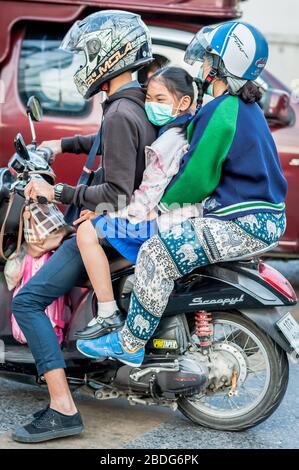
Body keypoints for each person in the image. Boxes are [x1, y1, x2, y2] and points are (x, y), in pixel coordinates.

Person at [76, 21, 288, 368]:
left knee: (156, 254)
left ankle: (130, 342)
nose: (203, 66)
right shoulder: (241, 107)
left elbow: (196, 177)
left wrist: (156, 208)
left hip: (244, 221)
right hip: (256, 215)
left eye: (209, 59)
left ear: (223, 64)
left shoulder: (224, 110)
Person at [11, 10, 156, 444]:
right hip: (129, 225)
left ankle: (62, 408)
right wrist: (60, 144)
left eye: (87, 54)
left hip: (111, 226)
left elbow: (117, 193)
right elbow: (110, 145)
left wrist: (58, 194)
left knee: (28, 301)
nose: (82, 64)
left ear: (111, 54)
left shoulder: (118, 114)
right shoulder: (136, 103)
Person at [73, 67, 202, 346]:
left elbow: (146, 196)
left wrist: (107, 212)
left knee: (87, 232)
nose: (151, 106)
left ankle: (107, 312)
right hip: (182, 216)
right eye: (149, 99)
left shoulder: (167, 142)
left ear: (183, 103)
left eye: (159, 98)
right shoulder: (185, 130)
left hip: (164, 220)